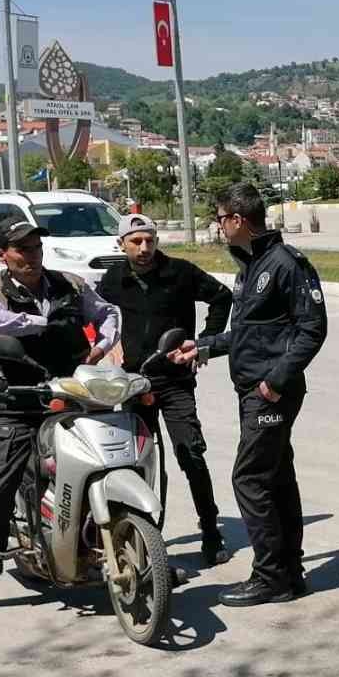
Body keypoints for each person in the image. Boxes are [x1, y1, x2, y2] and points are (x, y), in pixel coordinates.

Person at [0, 214, 121, 623]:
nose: (32, 255)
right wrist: (39, 323)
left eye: (36, 247)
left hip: (73, 392)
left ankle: (130, 548)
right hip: (19, 402)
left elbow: (106, 312)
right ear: (3, 255)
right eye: (22, 249)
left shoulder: (69, 285)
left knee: (110, 459)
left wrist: (103, 343)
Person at [170, 183, 328, 608]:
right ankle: (289, 573)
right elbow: (249, 332)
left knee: (250, 478)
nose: (218, 226)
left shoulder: (285, 264)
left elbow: (313, 329)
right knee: (275, 478)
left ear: (238, 220)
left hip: (270, 393)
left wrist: (275, 380)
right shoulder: (252, 264)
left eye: (220, 218)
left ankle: (270, 576)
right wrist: (203, 347)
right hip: (255, 390)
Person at [97, 213, 234, 566]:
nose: (144, 248)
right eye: (136, 242)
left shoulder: (181, 272)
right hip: (131, 383)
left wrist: (203, 342)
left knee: (190, 454)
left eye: (150, 240)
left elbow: (222, 297)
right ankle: (136, 534)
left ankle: (211, 531)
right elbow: (93, 315)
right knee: (130, 462)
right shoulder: (113, 279)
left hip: (174, 381)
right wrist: (106, 344)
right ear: (122, 244)